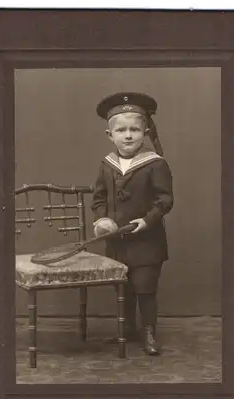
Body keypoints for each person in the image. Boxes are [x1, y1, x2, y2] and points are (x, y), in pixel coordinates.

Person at [91, 92, 174, 356]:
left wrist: (147, 221)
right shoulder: (107, 165)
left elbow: (165, 200)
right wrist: (102, 218)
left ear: (145, 131)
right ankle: (125, 329)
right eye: (121, 130)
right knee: (122, 287)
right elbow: (99, 198)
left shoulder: (155, 164)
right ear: (110, 134)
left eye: (135, 130)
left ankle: (149, 332)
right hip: (118, 242)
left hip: (147, 242)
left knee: (145, 289)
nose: (128, 135)